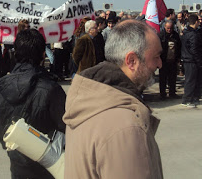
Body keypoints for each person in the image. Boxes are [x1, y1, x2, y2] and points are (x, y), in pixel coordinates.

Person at [63, 20, 163, 178]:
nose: (160, 64)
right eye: (156, 56)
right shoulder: (127, 126)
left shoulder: (89, 100)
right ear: (131, 61)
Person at [0, 29, 66, 179]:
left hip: (17, 162)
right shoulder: (51, 88)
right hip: (46, 165)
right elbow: (67, 126)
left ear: (16, 53)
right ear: (42, 55)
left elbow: (1, 133)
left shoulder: (2, 86)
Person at [181, 14, 202, 108]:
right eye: (198, 21)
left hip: (187, 59)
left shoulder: (186, 32)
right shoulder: (192, 35)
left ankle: (192, 98)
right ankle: (187, 100)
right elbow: (194, 49)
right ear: (195, 22)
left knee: (191, 80)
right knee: (190, 81)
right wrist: (199, 61)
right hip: (191, 60)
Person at [159, 20, 181, 99]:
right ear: (165, 27)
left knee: (172, 78)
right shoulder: (161, 35)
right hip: (164, 60)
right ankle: (162, 94)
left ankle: (172, 93)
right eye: (168, 28)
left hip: (173, 60)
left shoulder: (175, 35)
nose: (169, 30)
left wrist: (178, 58)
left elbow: (179, 47)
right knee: (163, 79)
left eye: (171, 28)